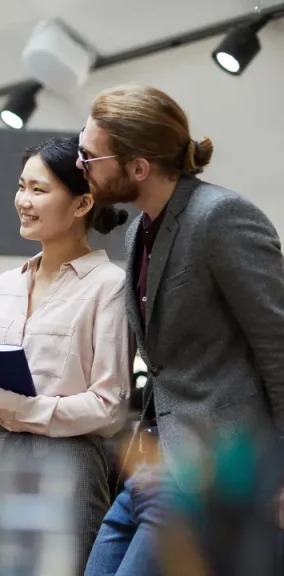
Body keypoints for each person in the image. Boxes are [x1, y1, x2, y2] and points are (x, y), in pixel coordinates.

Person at [77, 84, 284, 575]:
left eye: (90, 156)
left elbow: (280, 348)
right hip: (150, 465)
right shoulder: (136, 233)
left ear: (138, 167)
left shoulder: (221, 217)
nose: (81, 165)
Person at [0, 136, 132, 575]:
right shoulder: (3, 286)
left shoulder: (109, 285)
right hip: (3, 458)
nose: (23, 201)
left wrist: (3, 404)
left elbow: (109, 407)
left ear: (82, 204)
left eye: (39, 190)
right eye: (21, 186)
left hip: (73, 465)